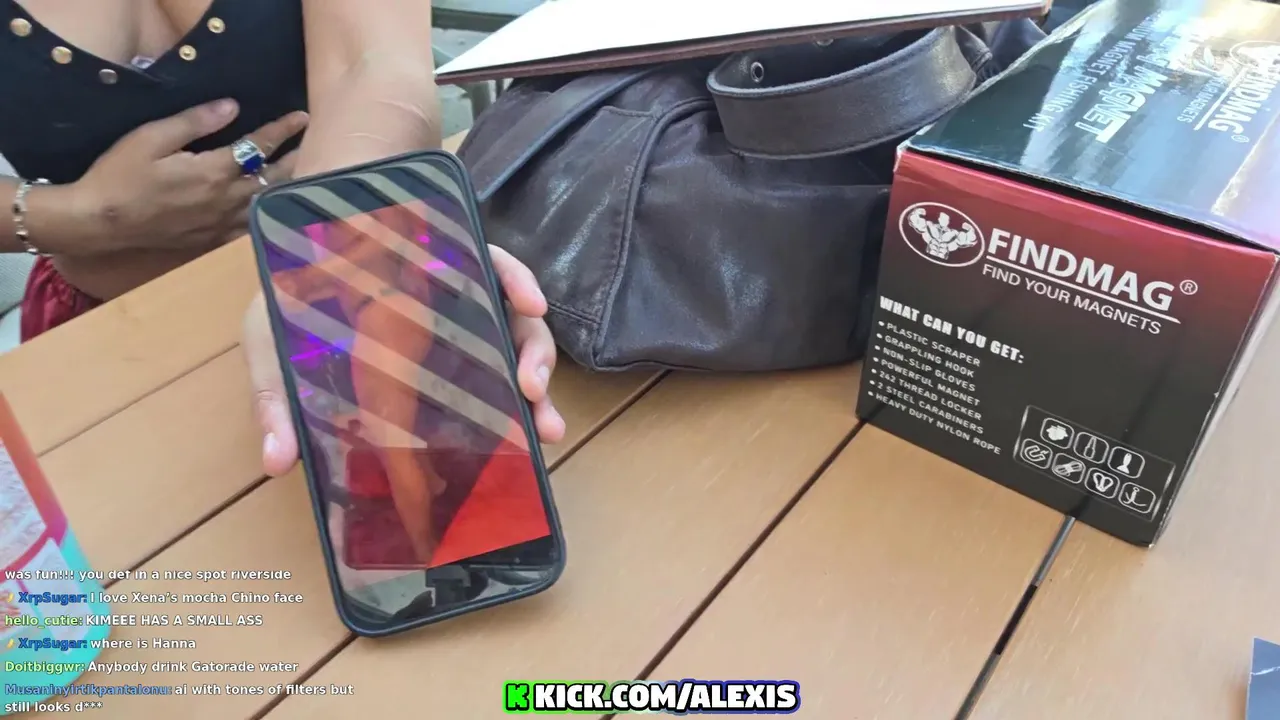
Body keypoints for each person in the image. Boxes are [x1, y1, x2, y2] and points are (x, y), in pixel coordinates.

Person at [0, 0, 566, 473]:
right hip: (97, 350)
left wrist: (323, 258)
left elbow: (374, 63)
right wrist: (76, 214)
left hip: (344, 303)